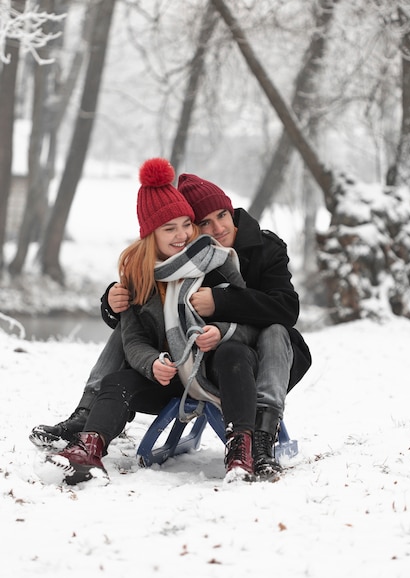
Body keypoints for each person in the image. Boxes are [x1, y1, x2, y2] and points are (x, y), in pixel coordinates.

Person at [30, 167, 311, 480]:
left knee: (261, 336)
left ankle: (258, 442)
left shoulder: (246, 253)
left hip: (259, 356)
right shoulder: (184, 259)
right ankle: (87, 425)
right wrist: (113, 305)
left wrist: (221, 306)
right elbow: (142, 325)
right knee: (128, 329)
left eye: (221, 215)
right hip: (195, 360)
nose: (216, 228)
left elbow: (284, 310)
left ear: (231, 211)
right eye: (203, 222)